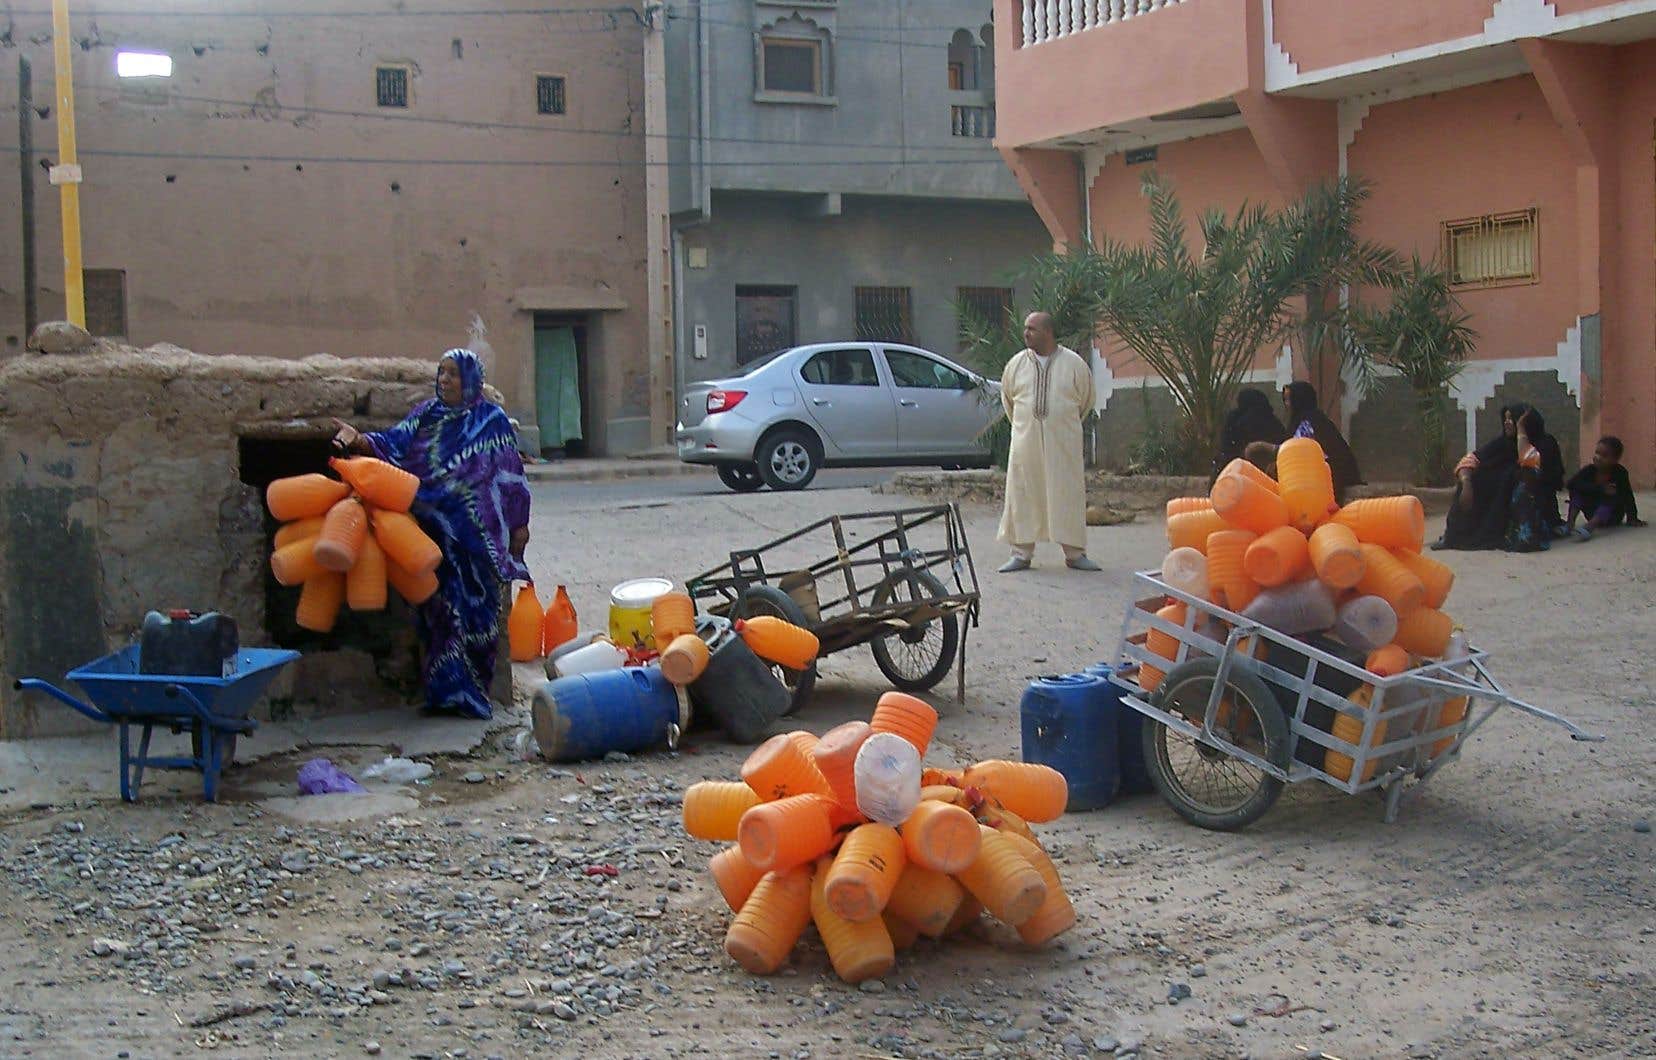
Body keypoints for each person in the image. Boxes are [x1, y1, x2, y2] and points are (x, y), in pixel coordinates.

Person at [332, 349, 532, 718]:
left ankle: (475, 696)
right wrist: (357, 439)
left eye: (453, 374)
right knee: (439, 612)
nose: (445, 380)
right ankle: (445, 695)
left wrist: (520, 524)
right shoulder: (426, 415)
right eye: (442, 372)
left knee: (479, 614)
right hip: (434, 534)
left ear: (470, 379)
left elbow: (511, 476)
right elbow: (392, 444)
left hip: (478, 539)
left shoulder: (491, 421)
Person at [996, 312, 1099, 573]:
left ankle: (1075, 554)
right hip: (1025, 443)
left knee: (1067, 493)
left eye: (1032, 329)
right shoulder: (1016, 365)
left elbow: (1086, 400)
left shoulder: (1074, 364)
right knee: (1022, 493)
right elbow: (1008, 401)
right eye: (1025, 328)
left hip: (1063, 445)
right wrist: (1029, 426)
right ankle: (1021, 553)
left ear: (1048, 332)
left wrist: (1059, 425)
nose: (1026, 333)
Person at [1434, 402, 1564, 551]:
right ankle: (1454, 536)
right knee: (1474, 478)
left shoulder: (1546, 443)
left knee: (1523, 479)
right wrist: (1466, 482)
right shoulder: (1502, 443)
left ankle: (1524, 536)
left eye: (1512, 419)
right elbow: (1469, 460)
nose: (1507, 422)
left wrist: (1521, 431)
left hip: (1537, 503)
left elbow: (1528, 461)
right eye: (1505, 418)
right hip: (1501, 502)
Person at [1281, 381, 1362, 502]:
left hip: (1326, 478)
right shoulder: (1301, 421)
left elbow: (1297, 451)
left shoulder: (1309, 423)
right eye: (1285, 399)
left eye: (1289, 399)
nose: (1287, 404)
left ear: (1299, 399)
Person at [1565, 435, 1645, 539]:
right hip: (1591, 511)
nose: (1598, 458)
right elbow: (1571, 484)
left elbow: (1627, 495)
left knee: (1612, 492)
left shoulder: (1620, 473)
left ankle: (1590, 527)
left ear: (1615, 459)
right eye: (1597, 453)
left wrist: (1632, 518)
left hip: (1612, 515)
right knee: (1577, 491)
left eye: (1604, 455)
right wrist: (1600, 488)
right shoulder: (1589, 470)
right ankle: (1569, 524)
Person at [1212, 387, 1287, 483]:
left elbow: (1227, 446)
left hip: (1236, 471)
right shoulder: (1272, 421)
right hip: (1271, 474)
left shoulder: (1236, 419)